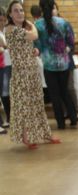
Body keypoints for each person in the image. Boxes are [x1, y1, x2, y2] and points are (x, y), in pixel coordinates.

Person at [5, 0, 58, 148]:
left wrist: (35, 50)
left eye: (21, 10)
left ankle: (45, 134)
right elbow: (34, 35)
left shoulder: (22, 29)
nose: (19, 13)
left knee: (37, 104)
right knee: (23, 106)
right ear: (10, 14)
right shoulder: (10, 29)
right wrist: (31, 23)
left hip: (32, 72)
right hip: (21, 76)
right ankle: (25, 137)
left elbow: (29, 45)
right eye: (16, 11)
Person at [34, 0, 77, 130]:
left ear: (41, 8)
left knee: (54, 95)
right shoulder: (63, 22)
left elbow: (37, 46)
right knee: (65, 91)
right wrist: (65, 51)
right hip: (63, 63)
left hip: (48, 64)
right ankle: (73, 118)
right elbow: (71, 42)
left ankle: (60, 123)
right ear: (53, 7)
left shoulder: (37, 25)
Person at [0, 7, 11, 130]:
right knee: (4, 92)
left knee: (7, 92)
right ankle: (6, 119)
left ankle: (10, 117)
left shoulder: (7, 30)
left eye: (4, 20)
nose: (2, 23)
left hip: (9, 64)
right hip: (2, 65)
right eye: (0, 20)